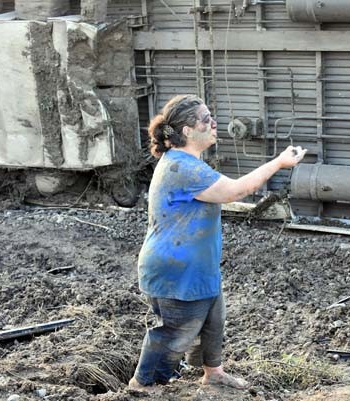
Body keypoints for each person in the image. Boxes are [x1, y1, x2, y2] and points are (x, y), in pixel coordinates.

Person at [128, 94, 307, 391]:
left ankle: (213, 372)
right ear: (187, 130)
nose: (214, 124)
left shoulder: (188, 162)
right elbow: (236, 191)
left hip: (195, 265)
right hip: (175, 270)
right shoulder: (182, 168)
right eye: (206, 119)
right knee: (175, 333)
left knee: (213, 320)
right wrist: (278, 162)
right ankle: (143, 385)